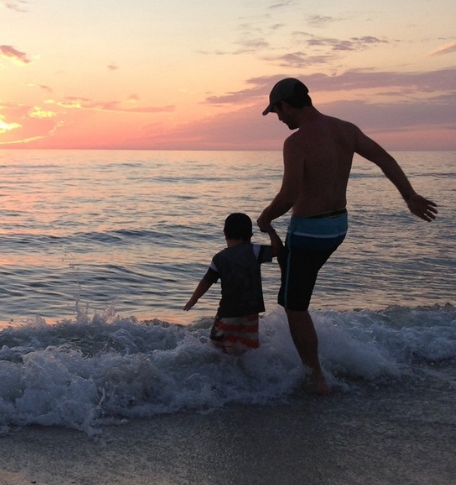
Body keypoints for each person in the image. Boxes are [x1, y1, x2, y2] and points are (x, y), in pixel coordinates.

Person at [257, 77, 438, 393]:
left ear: (286, 105)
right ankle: (306, 361)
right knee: (293, 288)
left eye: (276, 112)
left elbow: (289, 195)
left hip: (310, 233)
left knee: (294, 305)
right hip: (338, 227)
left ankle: (316, 378)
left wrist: (264, 217)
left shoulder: (296, 143)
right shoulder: (346, 129)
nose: (278, 118)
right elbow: (384, 158)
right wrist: (408, 195)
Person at [184, 213, 283, 355]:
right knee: (248, 351)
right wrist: (270, 230)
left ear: (225, 234)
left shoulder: (220, 258)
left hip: (228, 313)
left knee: (217, 348)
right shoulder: (254, 251)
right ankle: (252, 375)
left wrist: (193, 299)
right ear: (250, 235)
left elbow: (207, 280)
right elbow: (278, 250)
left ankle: (223, 374)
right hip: (251, 312)